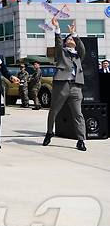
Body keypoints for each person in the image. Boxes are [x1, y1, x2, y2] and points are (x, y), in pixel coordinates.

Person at [43, 19, 87, 151]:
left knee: (78, 114)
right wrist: (57, 28)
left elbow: (81, 47)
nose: (70, 40)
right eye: (68, 39)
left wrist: (73, 33)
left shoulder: (79, 55)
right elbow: (58, 43)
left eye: (72, 39)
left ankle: (81, 140)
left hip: (76, 86)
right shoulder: (61, 52)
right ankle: (49, 133)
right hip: (62, 85)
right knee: (54, 111)